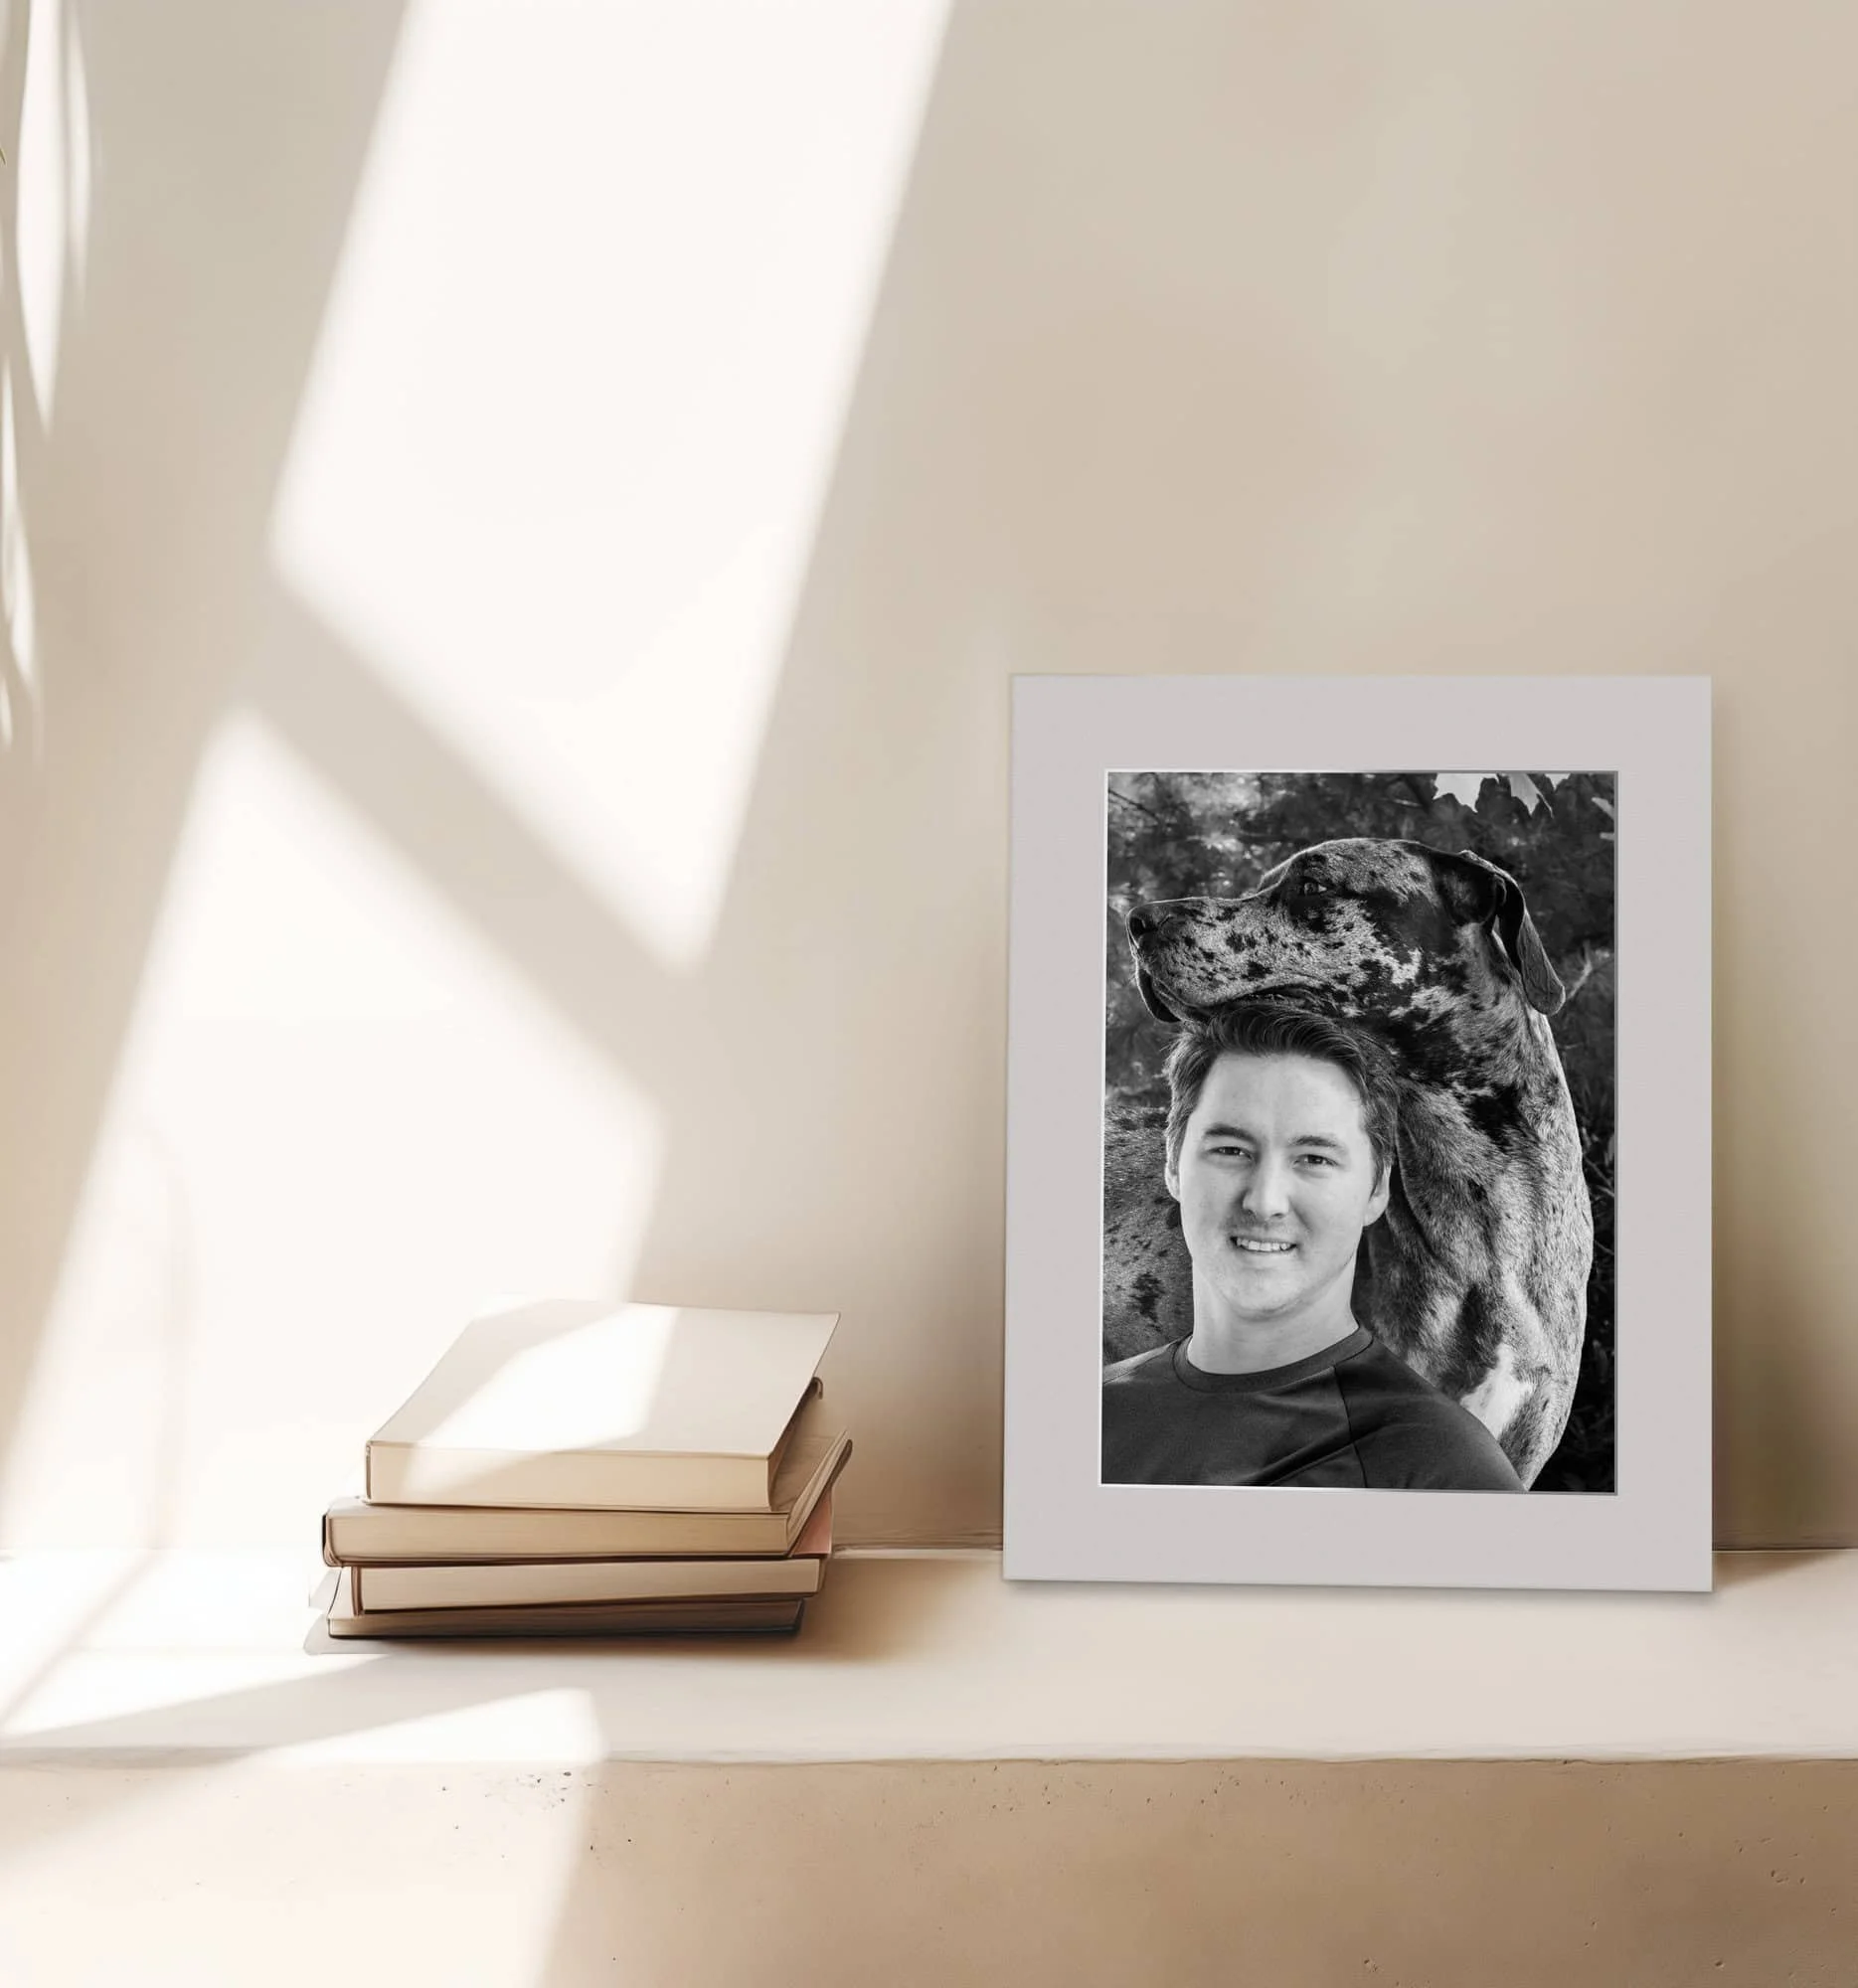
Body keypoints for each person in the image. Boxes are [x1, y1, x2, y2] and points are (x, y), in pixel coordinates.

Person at [1102, 1005, 1523, 1491]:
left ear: (1375, 1190)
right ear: (1174, 1166)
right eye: (1231, 1150)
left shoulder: (1442, 1471)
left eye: (1314, 1158)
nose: (1264, 1200)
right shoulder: (1082, 1421)